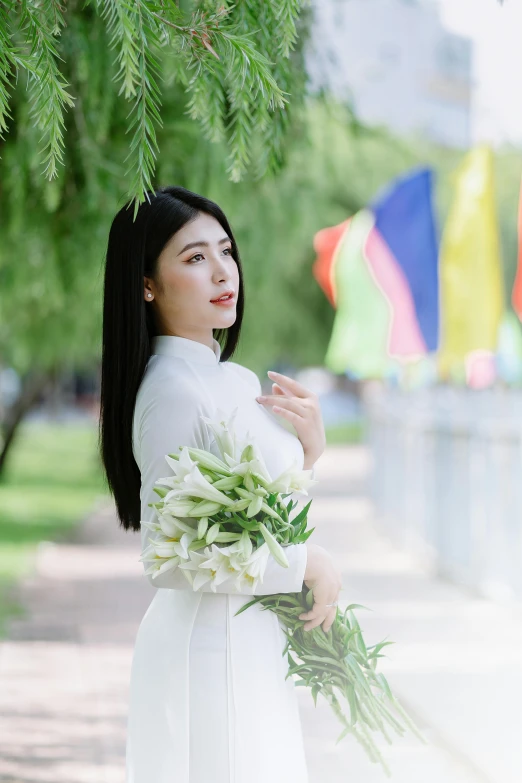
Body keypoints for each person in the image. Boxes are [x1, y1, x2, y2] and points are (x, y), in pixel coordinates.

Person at [98, 185, 343, 783]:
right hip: (208, 651)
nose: (221, 270)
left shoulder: (229, 380)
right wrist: (305, 562)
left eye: (225, 251)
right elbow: (168, 557)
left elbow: (248, 512)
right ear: (147, 284)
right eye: (194, 257)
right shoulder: (173, 390)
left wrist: (308, 452)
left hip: (247, 639)